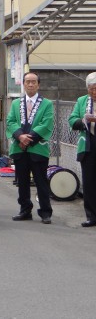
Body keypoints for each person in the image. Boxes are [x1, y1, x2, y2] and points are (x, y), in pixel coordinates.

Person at [6, 72, 54, 224]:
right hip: (19, 148)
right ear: (24, 84)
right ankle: (25, 210)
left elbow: (46, 124)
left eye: (34, 82)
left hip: (37, 148)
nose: (31, 84)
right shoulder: (15, 103)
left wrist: (28, 139)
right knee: (23, 182)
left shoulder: (47, 103)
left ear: (38, 84)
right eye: (28, 82)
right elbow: (10, 121)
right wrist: (20, 136)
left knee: (41, 182)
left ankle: (45, 212)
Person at [69, 72, 96, 227]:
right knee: (89, 182)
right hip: (88, 144)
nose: (94, 92)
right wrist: (83, 120)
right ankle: (91, 216)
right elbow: (72, 119)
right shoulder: (81, 101)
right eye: (91, 89)